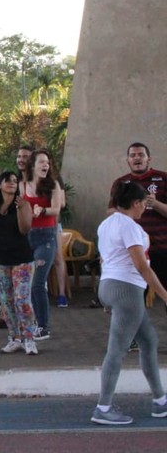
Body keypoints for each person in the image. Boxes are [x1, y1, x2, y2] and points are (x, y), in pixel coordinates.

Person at [90, 181, 167, 425]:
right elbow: (141, 266)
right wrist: (165, 295)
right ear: (135, 203)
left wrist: (108, 296)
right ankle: (103, 407)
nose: (145, 208)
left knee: (148, 340)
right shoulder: (130, 226)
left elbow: (106, 259)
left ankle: (160, 400)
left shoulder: (106, 224)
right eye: (144, 204)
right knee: (117, 349)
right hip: (127, 290)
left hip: (110, 286)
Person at [0, 171, 36, 354]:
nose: (12, 183)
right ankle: (14, 337)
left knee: (22, 300)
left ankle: (29, 338)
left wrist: (20, 209)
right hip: (0, 259)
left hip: (22, 259)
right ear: (0, 185)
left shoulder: (23, 204)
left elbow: (24, 229)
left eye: (15, 181)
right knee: (7, 302)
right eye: (8, 181)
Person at [108, 142, 167, 313]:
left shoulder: (163, 178)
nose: (137, 158)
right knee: (131, 300)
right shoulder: (120, 183)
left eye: (141, 154)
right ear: (127, 160)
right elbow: (110, 211)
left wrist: (155, 204)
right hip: (132, 251)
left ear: (149, 158)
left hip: (161, 248)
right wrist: (129, 208)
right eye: (133, 155)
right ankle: (133, 336)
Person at [19, 150, 64, 341]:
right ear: (33, 165)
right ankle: (28, 322)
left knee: (38, 282)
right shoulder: (22, 185)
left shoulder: (53, 184)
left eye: (48, 162)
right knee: (25, 283)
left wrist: (42, 210)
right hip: (27, 236)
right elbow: (19, 208)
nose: (46, 165)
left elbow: (57, 209)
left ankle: (43, 326)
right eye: (42, 162)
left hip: (46, 237)